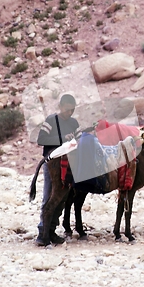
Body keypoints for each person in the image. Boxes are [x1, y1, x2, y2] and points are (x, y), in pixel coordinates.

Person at [36, 94, 79, 246]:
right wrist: (62, 138)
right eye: (67, 110)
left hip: (69, 164)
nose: (70, 113)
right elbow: (41, 139)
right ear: (60, 107)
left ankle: (52, 230)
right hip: (52, 163)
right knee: (49, 195)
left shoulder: (74, 122)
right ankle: (42, 232)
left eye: (72, 110)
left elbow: (78, 138)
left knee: (62, 198)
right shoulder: (51, 120)